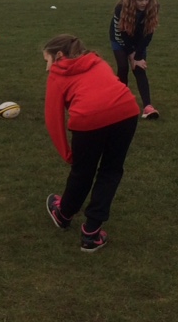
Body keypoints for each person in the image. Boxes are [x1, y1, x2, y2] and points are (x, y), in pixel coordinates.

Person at [43, 34, 140, 252]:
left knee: (82, 172)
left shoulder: (58, 75)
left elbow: (53, 118)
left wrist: (67, 153)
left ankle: (64, 214)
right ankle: (91, 231)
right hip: (126, 111)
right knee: (111, 171)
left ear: (59, 56)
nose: (47, 68)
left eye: (47, 61)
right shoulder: (98, 61)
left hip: (89, 119)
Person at [109, 0, 161, 119]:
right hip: (120, 39)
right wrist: (131, 55)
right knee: (123, 67)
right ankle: (120, 103)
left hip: (139, 40)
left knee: (139, 69)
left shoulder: (153, 7)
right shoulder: (121, 8)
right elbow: (121, 34)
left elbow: (148, 34)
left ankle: (148, 107)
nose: (144, 3)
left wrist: (137, 56)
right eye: (140, 0)